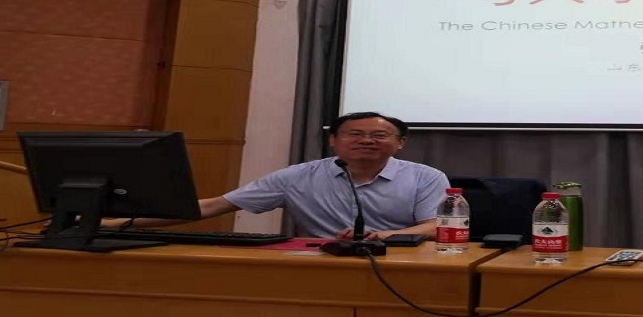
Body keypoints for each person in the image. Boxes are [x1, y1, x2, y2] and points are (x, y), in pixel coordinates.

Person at [105, 112, 449, 240]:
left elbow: (437, 226)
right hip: (322, 265)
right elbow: (213, 206)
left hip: (402, 263)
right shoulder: (297, 177)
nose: (366, 141)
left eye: (379, 135)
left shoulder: (425, 177)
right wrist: (113, 222)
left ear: (400, 143)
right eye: (355, 134)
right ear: (333, 140)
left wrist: (388, 236)